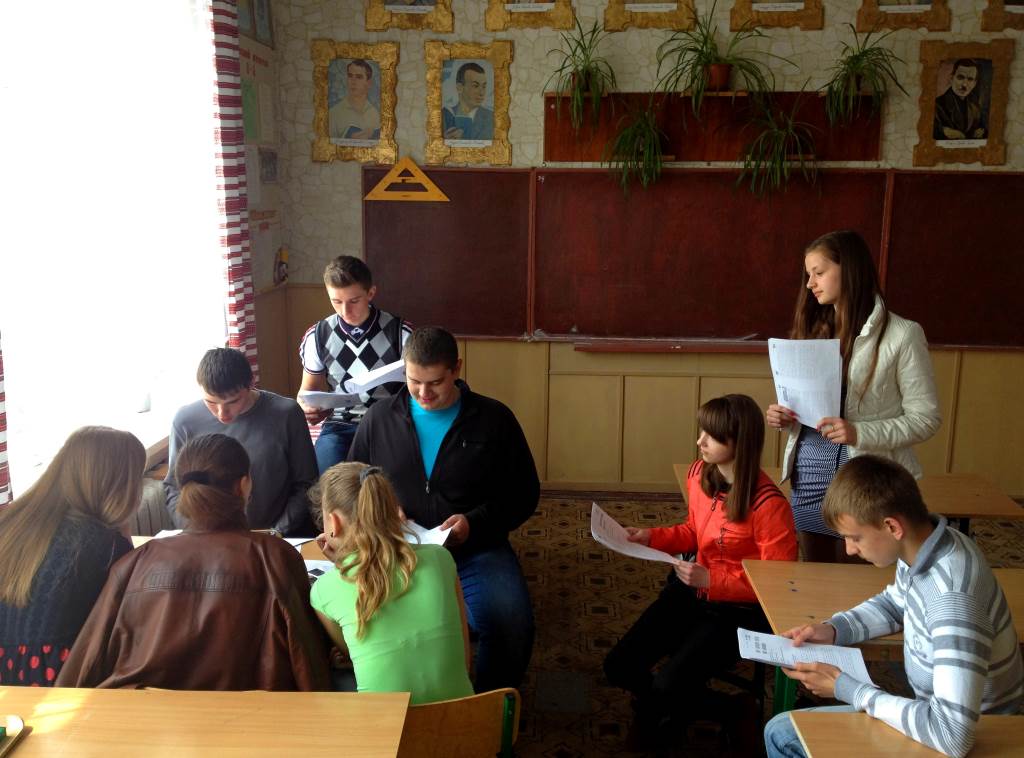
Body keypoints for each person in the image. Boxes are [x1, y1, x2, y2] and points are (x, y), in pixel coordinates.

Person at [763, 455, 1024, 758]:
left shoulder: (952, 601)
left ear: (892, 526)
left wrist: (848, 689)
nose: (849, 549)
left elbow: (952, 736)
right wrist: (834, 629)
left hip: (977, 733)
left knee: (783, 734)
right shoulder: (928, 545)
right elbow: (894, 604)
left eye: (854, 537)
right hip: (940, 712)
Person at [347, 326, 538, 692]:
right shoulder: (379, 418)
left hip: (476, 548)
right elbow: (354, 481)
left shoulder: (494, 419)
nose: (423, 393)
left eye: (435, 382)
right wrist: (382, 509)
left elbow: (523, 494)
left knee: (512, 624)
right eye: (413, 381)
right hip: (398, 549)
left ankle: (489, 707)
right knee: (371, 621)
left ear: (457, 369)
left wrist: (473, 523)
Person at [603, 394, 798, 753]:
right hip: (691, 591)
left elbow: (777, 583)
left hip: (740, 612)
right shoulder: (699, 475)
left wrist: (713, 581)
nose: (700, 441)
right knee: (618, 666)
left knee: (666, 685)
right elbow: (693, 532)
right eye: (702, 431)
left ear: (740, 442)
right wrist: (652, 537)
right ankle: (723, 708)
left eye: (712, 436)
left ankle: (665, 711)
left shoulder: (769, 505)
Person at [58, 434, 330, 690]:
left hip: (147, 719)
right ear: (244, 484)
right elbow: (310, 663)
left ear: (182, 488)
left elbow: (81, 672)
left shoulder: (132, 563)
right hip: (253, 717)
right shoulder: (277, 556)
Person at [766, 230, 940, 562]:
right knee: (815, 572)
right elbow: (809, 407)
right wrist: (785, 416)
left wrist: (859, 432)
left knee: (858, 575)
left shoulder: (903, 334)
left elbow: (926, 418)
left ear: (849, 270)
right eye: (808, 275)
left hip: (865, 479)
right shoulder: (812, 329)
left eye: (818, 272)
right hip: (810, 468)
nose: (810, 284)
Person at [309, 462, 474, 704]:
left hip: (387, 726)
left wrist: (343, 565)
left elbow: (351, 653)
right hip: (465, 718)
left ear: (333, 523)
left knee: (333, 674)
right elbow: (464, 660)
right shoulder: (441, 559)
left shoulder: (323, 591)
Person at [0, 427, 144, 686]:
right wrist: (123, 531)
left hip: (8, 676)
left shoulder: (14, 525)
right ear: (120, 485)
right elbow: (129, 614)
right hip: (61, 677)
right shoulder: (105, 544)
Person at [164, 347, 318, 536]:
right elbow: (174, 486)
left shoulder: (287, 414)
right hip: (207, 537)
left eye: (232, 402)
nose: (222, 413)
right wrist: (196, 531)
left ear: (251, 384)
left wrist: (277, 532)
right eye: (211, 402)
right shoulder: (185, 420)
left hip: (276, 533)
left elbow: (306, 483)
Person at [298, 256, 411, 474]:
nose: (345, 311)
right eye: (336, 302)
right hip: (340, 425)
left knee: (393, 480)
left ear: (371, 293)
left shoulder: (400, 332)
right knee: (329, 480)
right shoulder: (318, 335)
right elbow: (306, 392)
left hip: (388, 424)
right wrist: (308, 408)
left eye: (354, 301)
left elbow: (417, 389)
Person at [933, 59, 987, 140]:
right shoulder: (937, 105)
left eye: (970, 79)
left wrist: (980, 132)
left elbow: (984, 129)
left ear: (974, 83)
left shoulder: (975, 107)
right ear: (952, 78)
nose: (964, 84)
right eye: (960, 77)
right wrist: (943, 131)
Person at [328, 59, 381, 141]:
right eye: (350, 76)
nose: (353, 82)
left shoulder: (375, 114)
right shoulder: (334, 113)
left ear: (369, 83)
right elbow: (327, 144)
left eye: (359, 77)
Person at [443, 62, 495, 141]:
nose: (481, 93)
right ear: (459, 87)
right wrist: (444, 141)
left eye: (484, 86)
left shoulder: (491, 118)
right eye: (475, 86)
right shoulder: (445, 115)